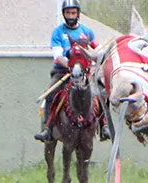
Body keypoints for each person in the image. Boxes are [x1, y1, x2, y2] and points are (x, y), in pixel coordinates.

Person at [35, 0, 109, 142]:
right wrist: (71, 66)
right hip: (63, 72)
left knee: (102, 92)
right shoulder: (58, 32)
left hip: (85, 72)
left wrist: (93, 66)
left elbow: (98, 51)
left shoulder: (87, 32)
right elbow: (58, 56)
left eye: (73, 13)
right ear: (64, 14)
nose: (70, 16)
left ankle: (104, 125)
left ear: (78, 14)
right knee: (50, 92)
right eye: (68, 13)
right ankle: (47, 128)